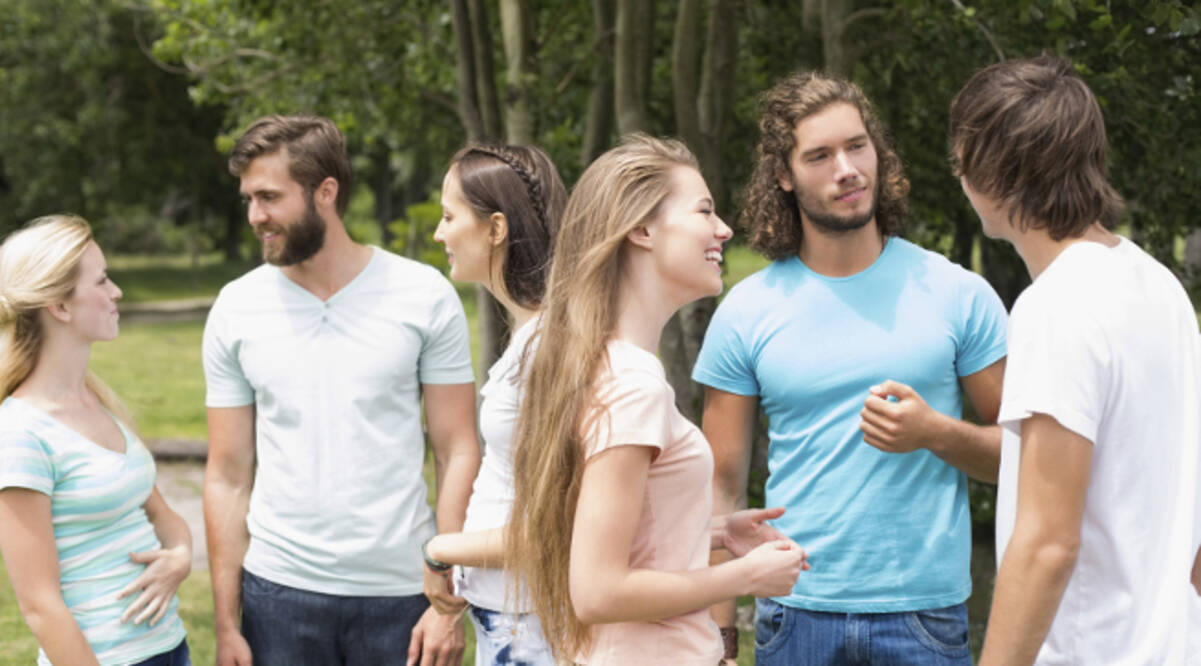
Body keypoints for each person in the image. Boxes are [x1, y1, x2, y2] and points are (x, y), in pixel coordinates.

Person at [692, 71, 1009, 664]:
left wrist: (937, 434)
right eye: (820, 155)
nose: (847, 169)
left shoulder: (955, 293)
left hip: (925, 617)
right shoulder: (746, 312)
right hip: (793, 614)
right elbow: (720, 488)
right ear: (784, 175)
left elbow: (1024, 456)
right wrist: (721, 637)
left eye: (857, 146)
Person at [506, 134, 808, 666]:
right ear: (642, 230)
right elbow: (597, 591)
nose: (724, 229)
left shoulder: (606, 364)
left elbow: (615, 538)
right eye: (704, 211)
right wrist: (744, 576)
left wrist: (710, 531)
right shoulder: (632, 384)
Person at [949, 55, 1201, 664]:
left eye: (961, 159)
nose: (957, 173)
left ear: (996, 173)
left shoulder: (1056, 307)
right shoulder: (1158, 283)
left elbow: (1046, 542)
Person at [203, 115, 480, 666]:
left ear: (325, 192)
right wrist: (227, 622)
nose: (255, 216)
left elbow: (457, 448)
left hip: (403, 594)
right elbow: (227, 475)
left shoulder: (422, 295)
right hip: (277, 595)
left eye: (269, 197)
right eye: (249, 199)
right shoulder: (235, 308)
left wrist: (448, 602)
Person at [0, 215, 192, 666]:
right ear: (60, 308)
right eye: (102, 280)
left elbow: (163, 516)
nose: (117, 291)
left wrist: (181, 556)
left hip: (168, 648)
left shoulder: (98, 403)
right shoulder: (20, 435)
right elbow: (40, 606)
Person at [421, 143, 568, 665]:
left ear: (496, 229)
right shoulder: (530, 335)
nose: (439, 233)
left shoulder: (551, 347)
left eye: (448, 216)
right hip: (509, 614)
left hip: (534, 624)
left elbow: (558, 525)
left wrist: (441, 551)